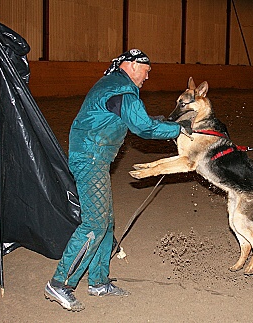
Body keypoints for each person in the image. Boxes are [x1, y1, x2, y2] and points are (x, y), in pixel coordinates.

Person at [44, 49, 192, 311]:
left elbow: (138, 120)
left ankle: (99, 282)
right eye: (146, 70)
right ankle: (60, 283)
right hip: (91, 158)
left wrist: (162, 123)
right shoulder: (121, 89)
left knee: (106, 222)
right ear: (132, 65)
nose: (148, 76)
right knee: (95, 224)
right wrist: (178, 129)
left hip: (92, 157)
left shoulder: (114, 85)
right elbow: (142, 128)